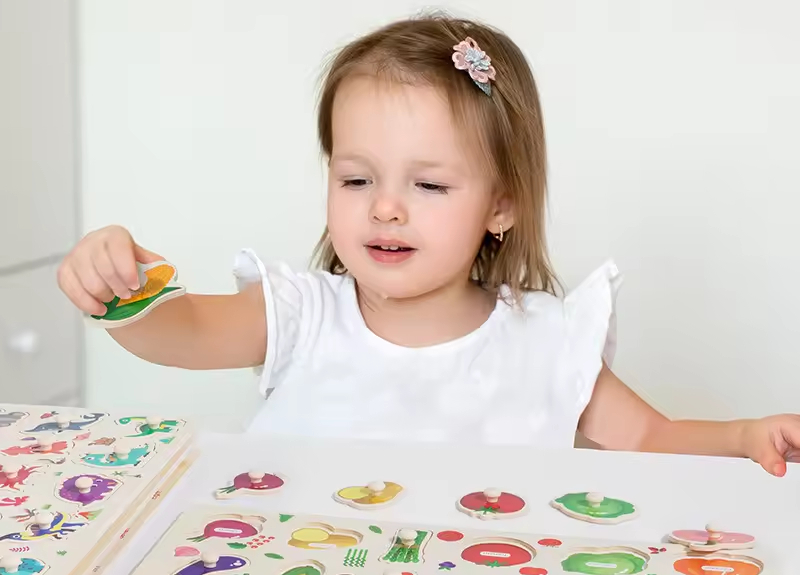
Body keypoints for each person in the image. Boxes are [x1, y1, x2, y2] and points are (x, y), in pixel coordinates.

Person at [56, 13, 799, 475]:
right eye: (355, 179)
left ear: (501, 205)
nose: (384, 207)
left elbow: (650, 437)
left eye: (430, 186)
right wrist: (121, 291)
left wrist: (744, 435)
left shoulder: (546, 342)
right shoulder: (304, 316)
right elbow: (183, 332)